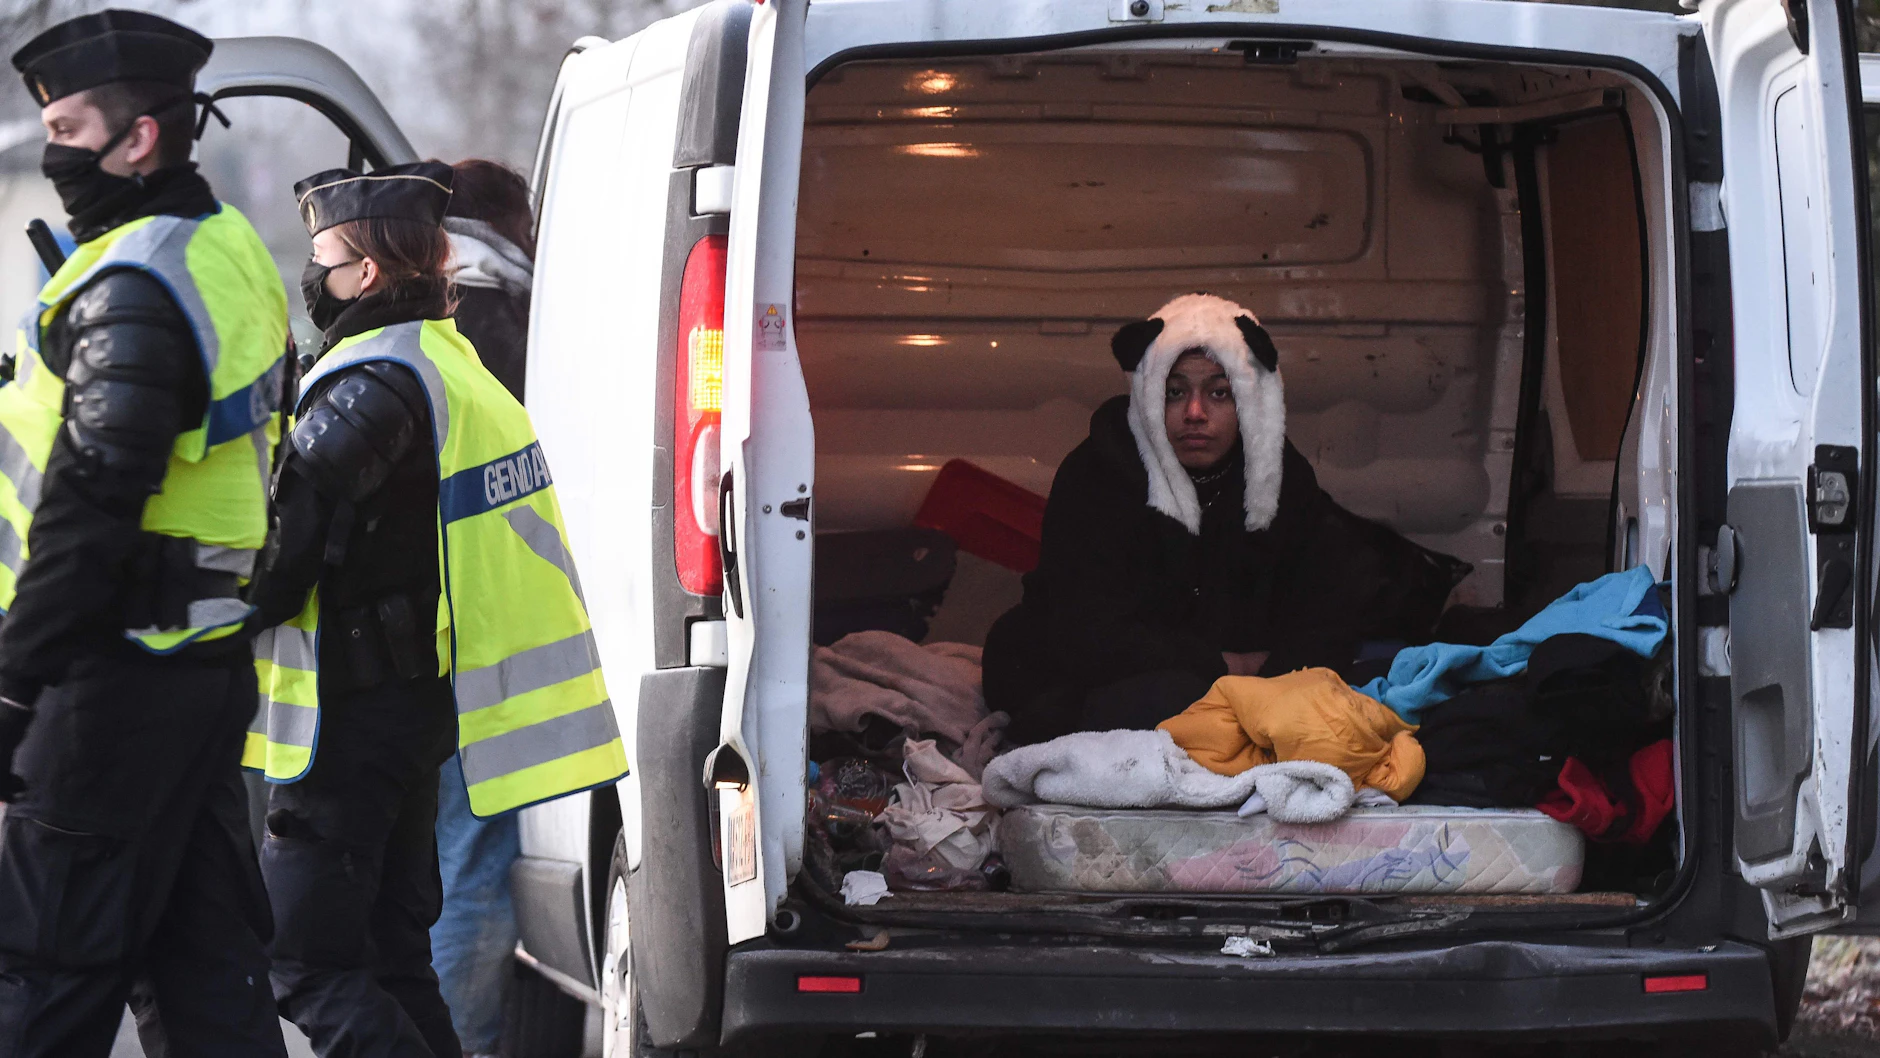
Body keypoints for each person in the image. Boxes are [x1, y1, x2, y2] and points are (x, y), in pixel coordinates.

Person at [243, 161, 627, 1058]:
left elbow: (279, 562)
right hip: (418, 708)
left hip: (350, 723)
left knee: (308, 965)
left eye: (322, 255)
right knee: (391, 959)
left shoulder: (368, 387)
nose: (313, 273)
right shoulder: (450, 363)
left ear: (366, 272)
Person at [0, 11, 293, 1057]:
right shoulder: (219, 250)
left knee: (43, 976)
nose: (54, 147)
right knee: (204, 975)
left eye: (71, 124)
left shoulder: (134, 279)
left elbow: (92, 499)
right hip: (196, 668)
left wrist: (12, 681)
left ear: (139, 140)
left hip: (109, 678)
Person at [982, 293, 1467, 743]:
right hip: (1111, 677)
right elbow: (1087, 631)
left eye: (1219, 393)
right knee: (1136, 705)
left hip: (1242, 682)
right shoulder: (1099, 472)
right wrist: (1222, 664)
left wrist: (1274, 680)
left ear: (1249, 402)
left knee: (1350, 700)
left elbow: (1326, 609)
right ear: (1148, 396)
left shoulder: (1280, 476)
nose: (1195, 413)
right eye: (1174, 392)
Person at [429, 157, 535, 1058]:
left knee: (438, 860)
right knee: (474, 861)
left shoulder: (415, 309)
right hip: (487, 630)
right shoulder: (502, 315)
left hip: (414, 630)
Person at [440, 158, 534, 402]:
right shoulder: (486, 308)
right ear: (492, 231)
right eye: (526, 233)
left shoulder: (433, 294)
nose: (534, 249)